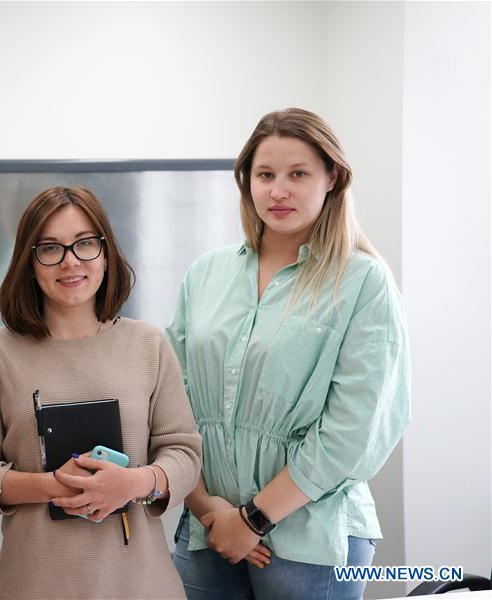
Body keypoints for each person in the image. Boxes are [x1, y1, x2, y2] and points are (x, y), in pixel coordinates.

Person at [167, 108, 411, 599]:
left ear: (332, 177)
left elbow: (356, 427)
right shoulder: (205, 274)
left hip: (309, 541)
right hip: (207, 530)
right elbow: (171, 402)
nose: (278, 191)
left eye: (297, 174)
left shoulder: (363, 281)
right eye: (265, 175)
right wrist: (208, 509)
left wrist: (254, 519)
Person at [0, 186, 202, 599]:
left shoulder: (148, 345)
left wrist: (134, 483)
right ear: (29, 263)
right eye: (50, 248)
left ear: (106, 253)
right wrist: (53, 485)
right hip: (35, 586)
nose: (70, 261)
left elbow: (185, 454)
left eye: (85, 243)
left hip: (140, 586)